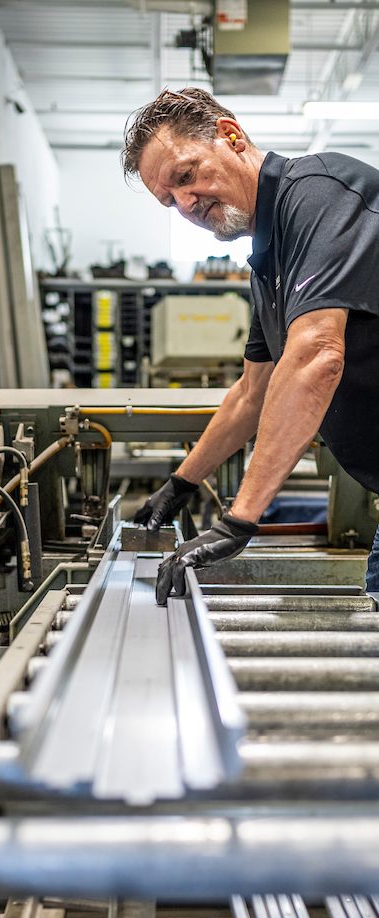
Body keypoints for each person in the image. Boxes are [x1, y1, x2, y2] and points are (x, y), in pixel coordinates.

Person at [122, 86, 379, 605]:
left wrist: (239, 521)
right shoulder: (268, 261)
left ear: (231, 137)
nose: (186, 205)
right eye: (169, 199)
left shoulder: (319, 194)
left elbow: (317, 355)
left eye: (186, 176)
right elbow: (252, 393)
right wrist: (182, 484)